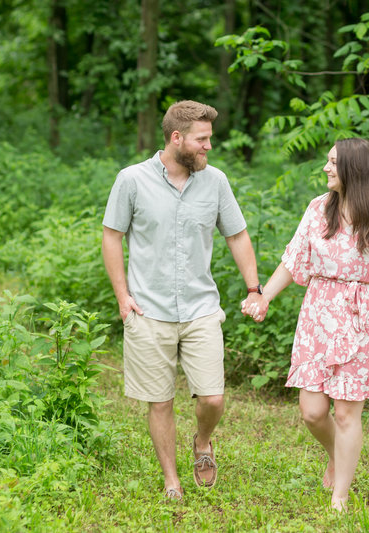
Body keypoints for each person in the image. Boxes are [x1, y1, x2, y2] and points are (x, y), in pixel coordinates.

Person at [102, 100, 265, 502]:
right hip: (148, 310)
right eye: (202, 140)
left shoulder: (216, 182)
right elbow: (111, 236)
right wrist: (123, 298)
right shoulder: (131, 180)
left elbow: (237, 235)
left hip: (200, 309)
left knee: (212, 397)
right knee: (160, 401)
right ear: (177, 138)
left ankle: (203, 442)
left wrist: (254, 288)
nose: (209, 147)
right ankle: (171, 480)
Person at [242, 138, 369, 511]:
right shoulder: (318, 209)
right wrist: (264, 296)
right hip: (318, 315)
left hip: (363, 316)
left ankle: (340, 496)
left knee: (345, 412)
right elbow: (294, 259)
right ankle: (338, 455)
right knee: (312, 411)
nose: (326, 168)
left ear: (353, 167)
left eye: (333, 162)